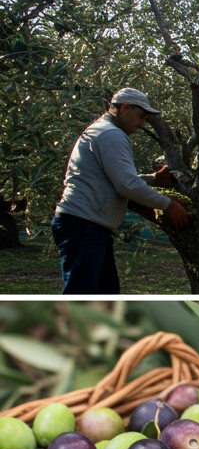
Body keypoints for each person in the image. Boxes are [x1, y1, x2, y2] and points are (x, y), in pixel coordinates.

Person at [51, 88, 190, 294]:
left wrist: (153, 180)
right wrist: (168, 205)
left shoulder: (101, 130)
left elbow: (110, 179)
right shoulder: (111, 135)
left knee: (104, 293)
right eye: (141, 117)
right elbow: (126, 185)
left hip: (87, 225)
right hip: (84, 225)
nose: (142, 124)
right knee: (82, 294)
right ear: (125, 108)